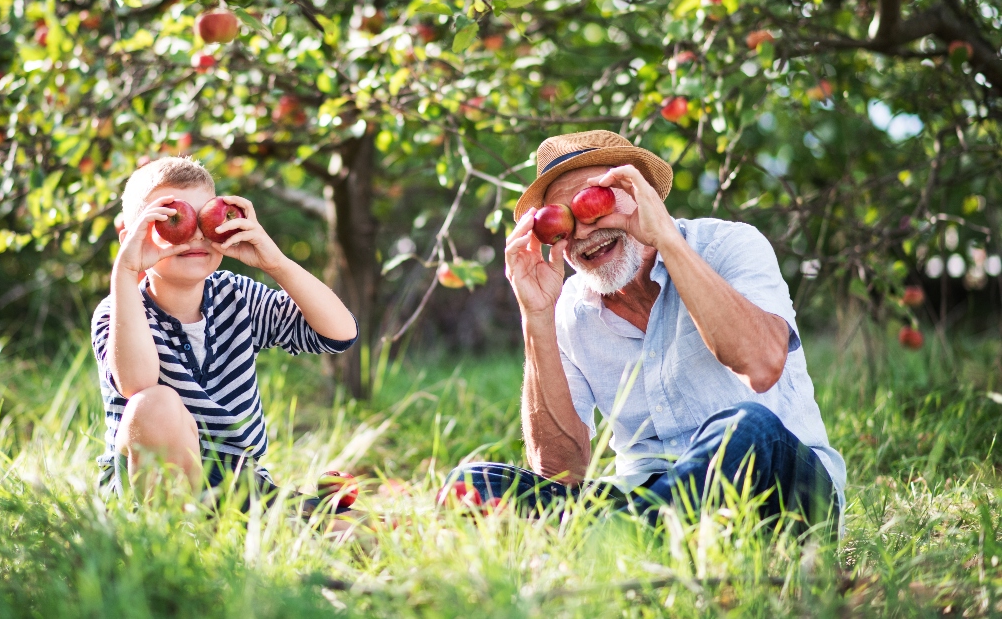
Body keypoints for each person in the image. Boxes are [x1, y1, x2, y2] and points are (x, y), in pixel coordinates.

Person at [444, 131, 846, 531]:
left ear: (642, 194)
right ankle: (628, 535)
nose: (582, 233)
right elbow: (560, 472)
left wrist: (665, 238)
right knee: (472, 484)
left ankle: (604, 542)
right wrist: (535, 315)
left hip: (780, 484)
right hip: (643, 493)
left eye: (593, 205)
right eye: (563, 222)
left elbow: (761, 365)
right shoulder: (568, 310)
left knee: (745, 428)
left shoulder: (729, 245)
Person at [91, 157, 359, 503]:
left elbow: (339, 334)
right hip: (150, 486)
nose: (196, 234)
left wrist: (274, 262)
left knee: (356, 532)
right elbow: (138, 385)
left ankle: (241, 526)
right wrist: (125, 272)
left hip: (237, 483)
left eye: (205, 218)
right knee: (155, 403)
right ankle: (169, 538)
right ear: (130, 237)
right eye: (170, 217)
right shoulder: (119, 310)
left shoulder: (238, 296)